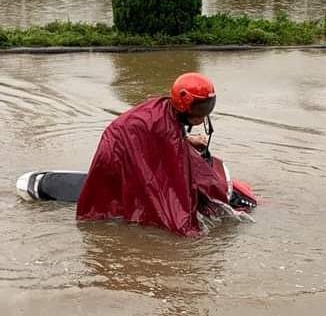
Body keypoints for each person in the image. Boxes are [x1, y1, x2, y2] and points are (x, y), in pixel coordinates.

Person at [76, 72, 233, 237]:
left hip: (127, 140)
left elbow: (170, 137)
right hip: (117, 150)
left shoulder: (168, 109)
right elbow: (174, 182)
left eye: (207, 107)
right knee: (137, 200)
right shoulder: (164, 128)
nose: (202, 116)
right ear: (183, 103)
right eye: (200, 108)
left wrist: (187, 140)